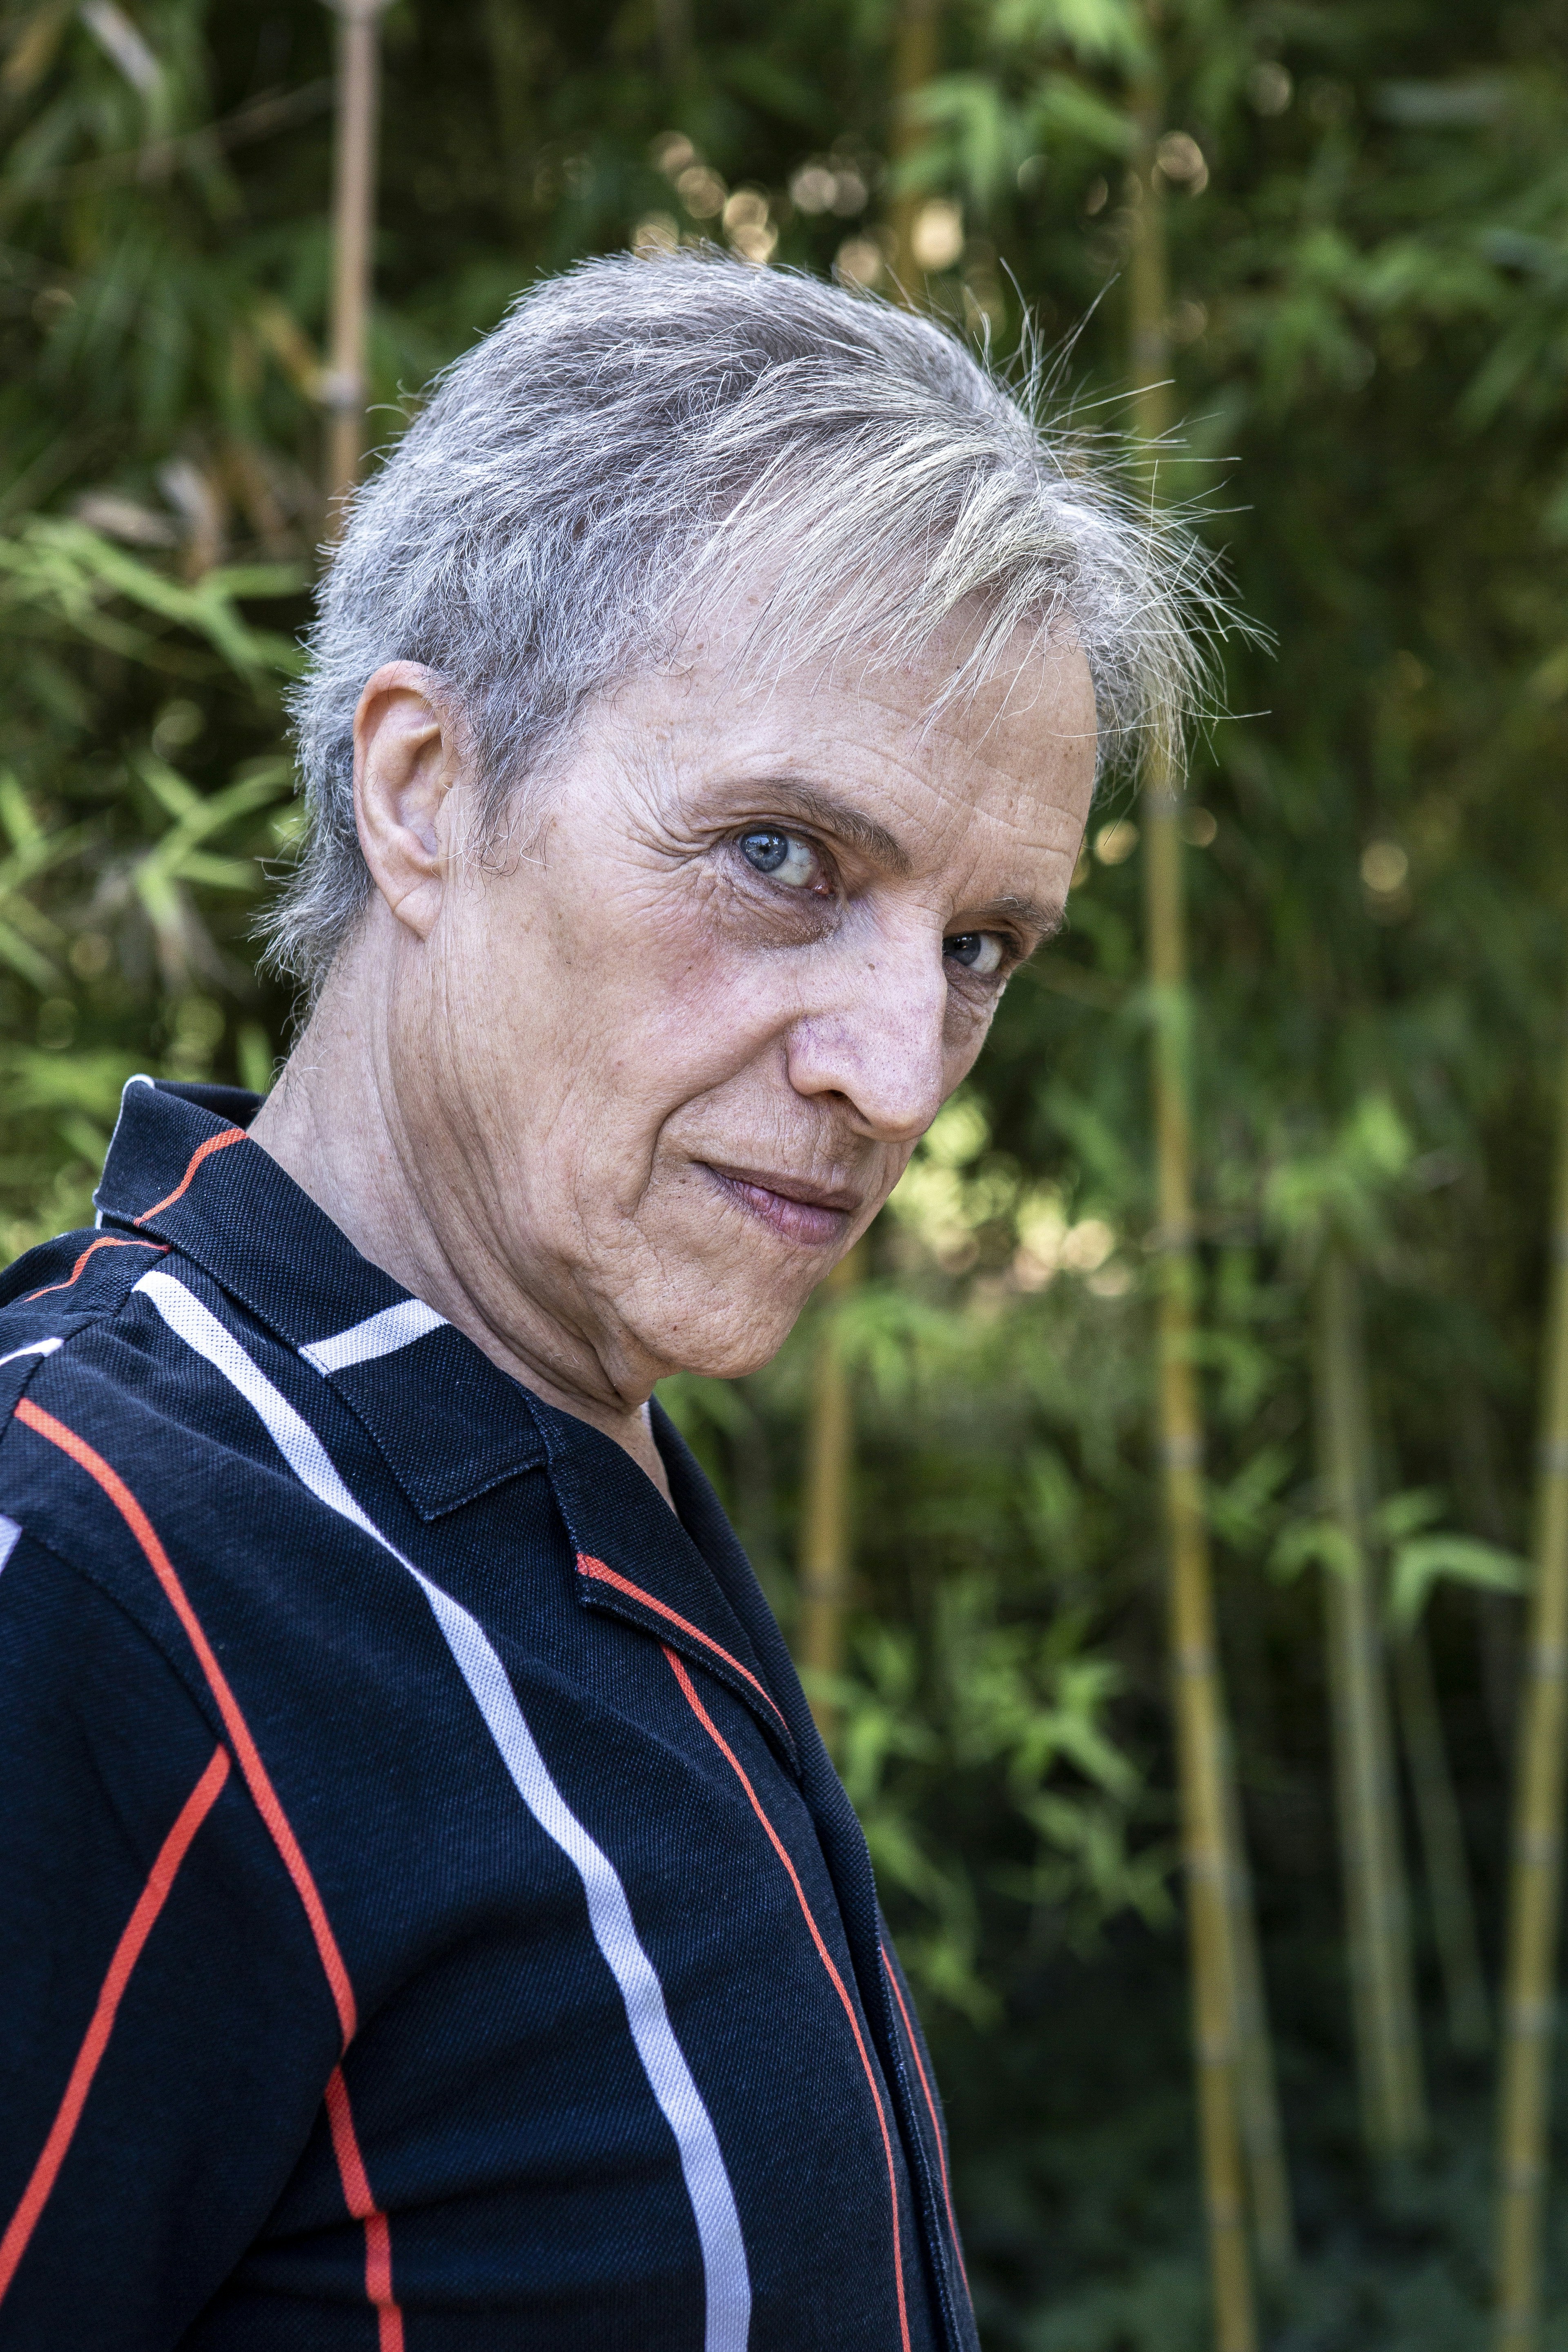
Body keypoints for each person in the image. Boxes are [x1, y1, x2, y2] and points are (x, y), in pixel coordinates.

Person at [0, 252, 1203, 2350]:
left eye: (987, 946)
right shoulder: (90, 1567)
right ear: (423, 790)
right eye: (781, 857)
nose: (899, 1072)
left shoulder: (541, 1447)